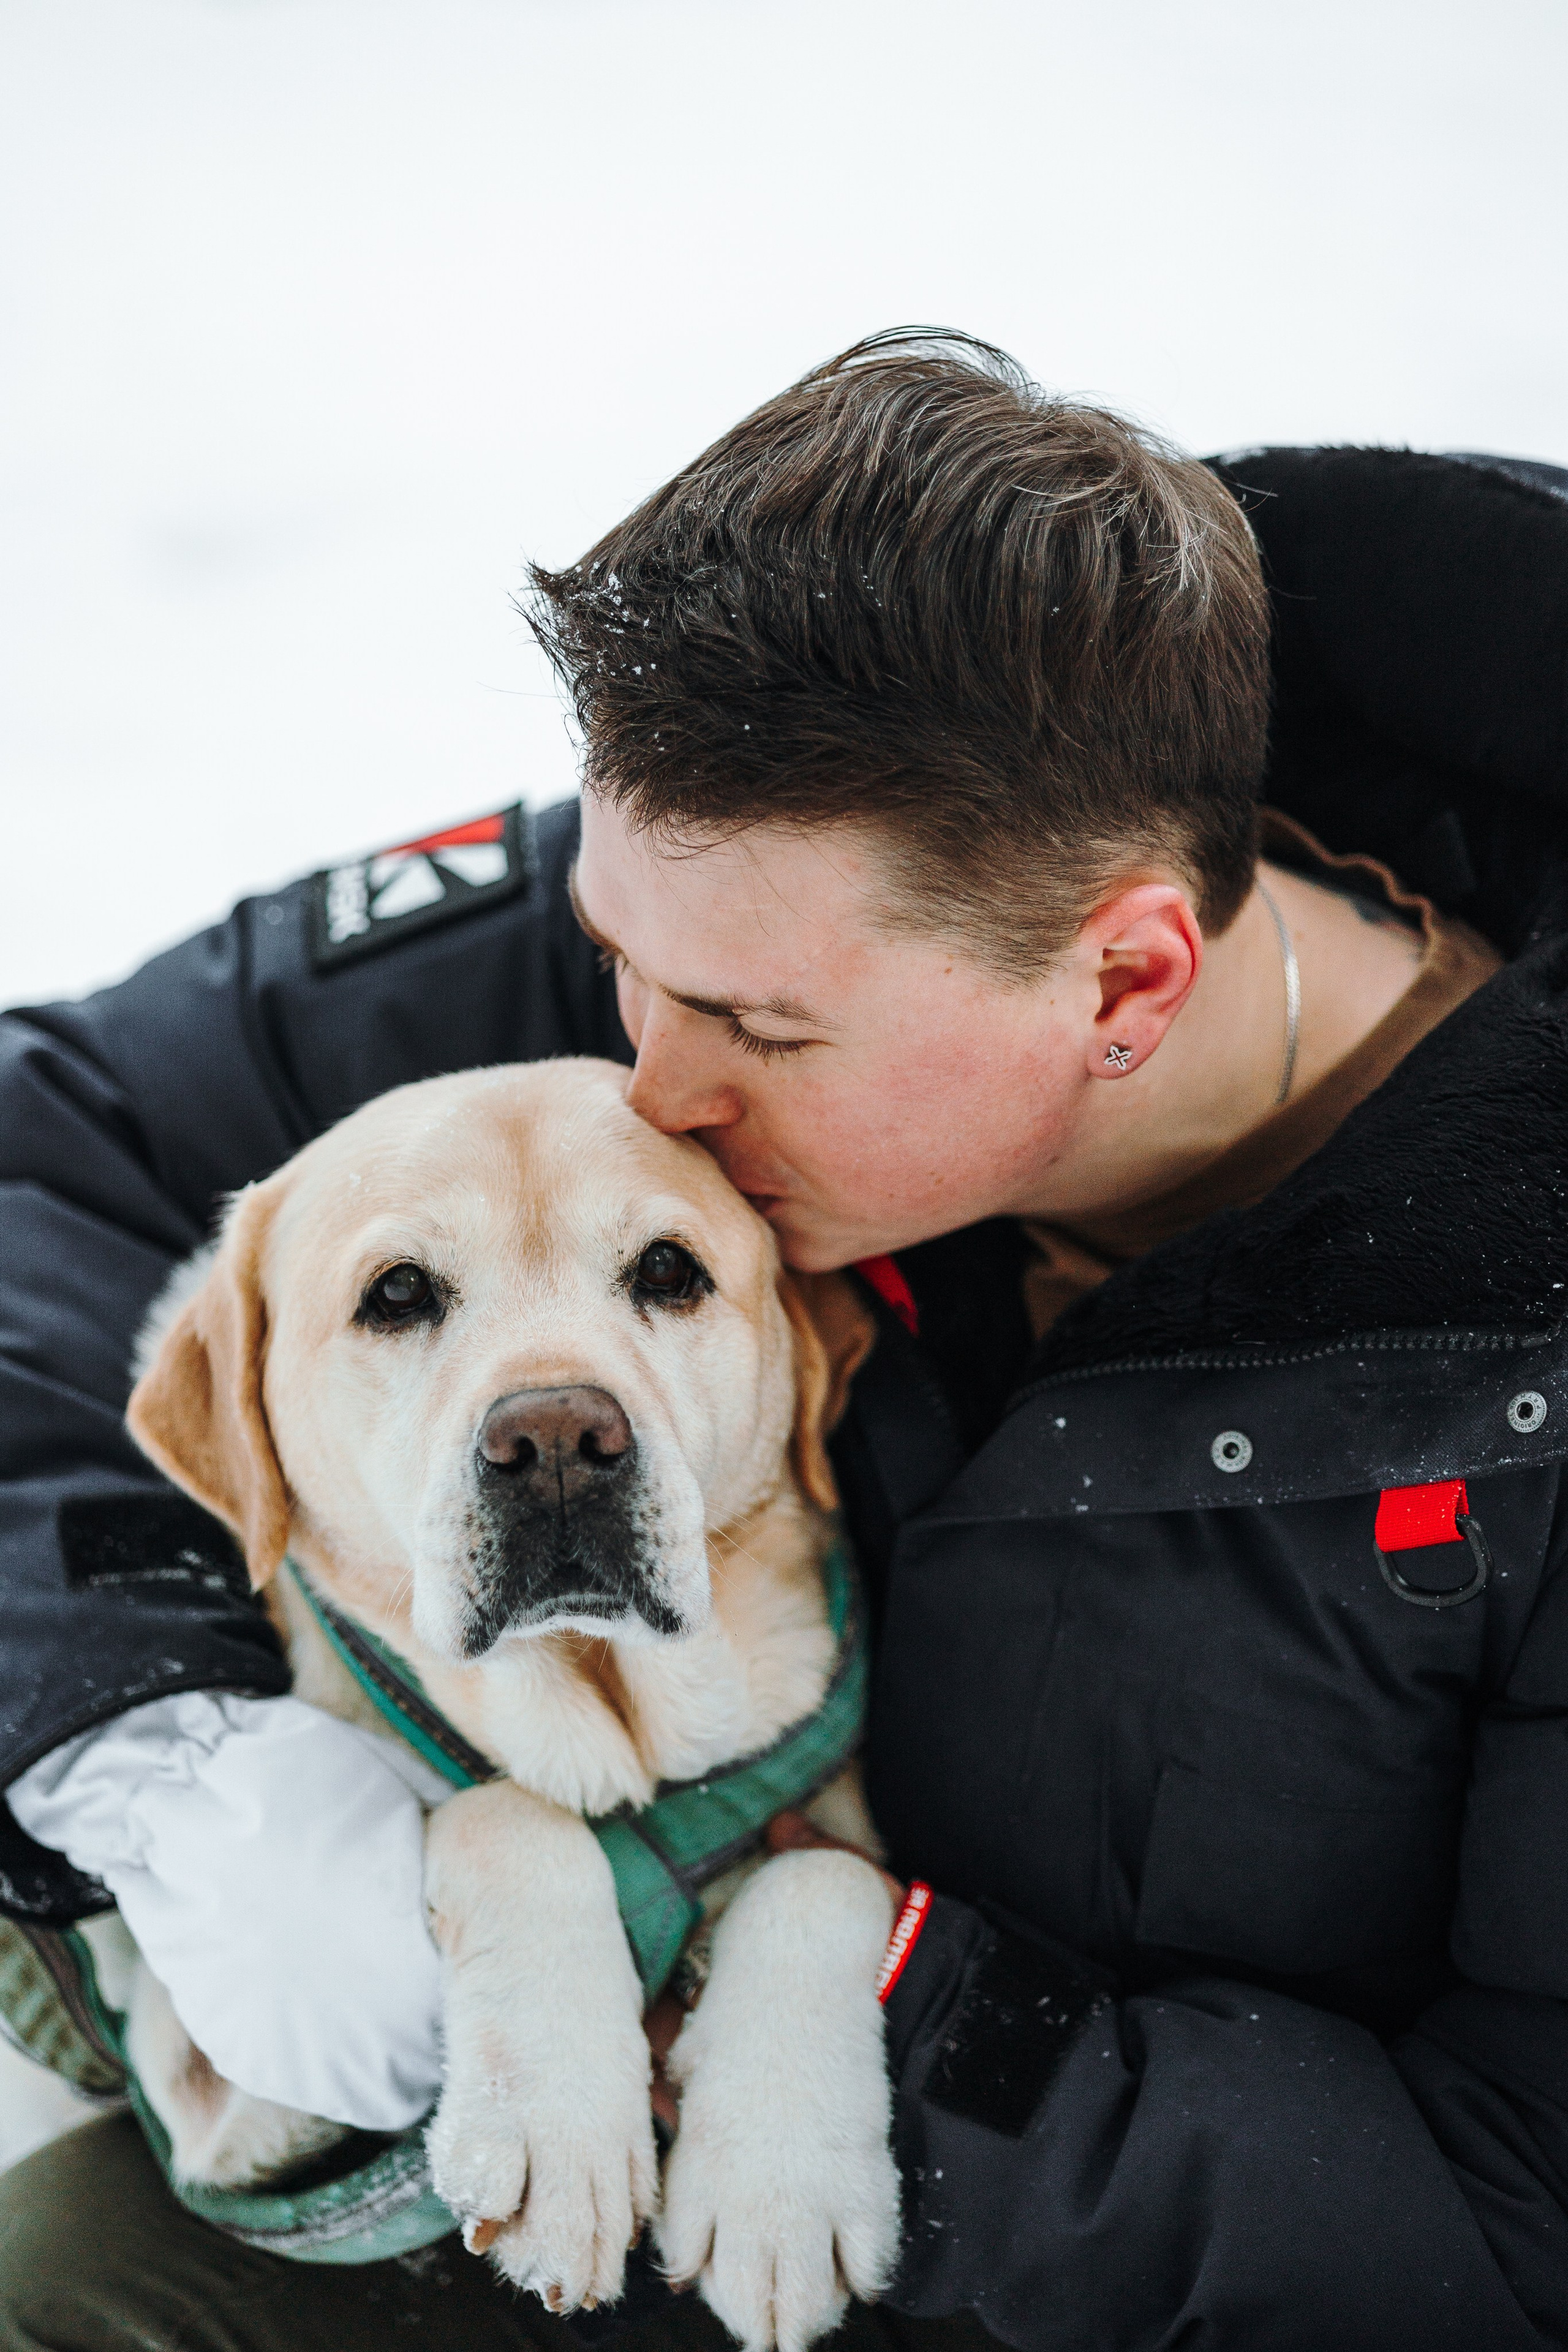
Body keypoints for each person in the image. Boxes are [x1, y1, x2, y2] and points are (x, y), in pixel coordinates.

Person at [2, 329, 1567, 2351]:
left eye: (752, 1029)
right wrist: (153, 1739)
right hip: (557, 2126)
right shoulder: (800, 869)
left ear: (1127, 974)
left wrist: (874, 2022)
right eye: (614, 963)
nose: (641, 1085)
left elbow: (1517, 2223)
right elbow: (52, 1136)